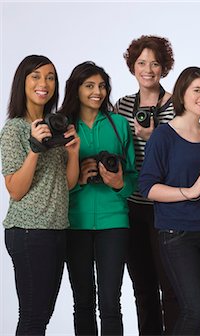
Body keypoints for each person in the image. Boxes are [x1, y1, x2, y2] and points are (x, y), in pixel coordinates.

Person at [139, 66, 200, 336]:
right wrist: (188, 192)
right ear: (182, 93)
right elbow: (147, 187)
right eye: (197, 90)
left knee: (199, 309)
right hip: (177, 233)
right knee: (193, 309)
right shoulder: (163, 136)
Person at [0, 55, 80, 335]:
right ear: (22, 82)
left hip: (57, 229)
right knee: (33, 317)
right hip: (29, 231)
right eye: (35, 76)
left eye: (50, 77)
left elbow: (67, 184)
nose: (43, 83)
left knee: (42, 315)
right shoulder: (14, 130)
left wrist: (73, 153)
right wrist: (34, 149)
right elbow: (16, 189)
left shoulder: (54, 126)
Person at [60, 61, 137, 336]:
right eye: (90, 85)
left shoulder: (119, 125)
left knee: (110, 303)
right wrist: (79, 180)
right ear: (76, 89)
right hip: (74, 222)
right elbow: (53, 182)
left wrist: (119, 184)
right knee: (82, 302)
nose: (98, 92)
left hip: (114, 222)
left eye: (102, 86)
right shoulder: (63, 126)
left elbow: (133, 177)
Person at [114, 34, 178, 336]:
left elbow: (180, 158)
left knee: (171, 289)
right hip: (132, 207)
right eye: (141, 63)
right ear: (132, 67)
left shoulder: (177, 106)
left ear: (164, 67)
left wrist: (152, 138)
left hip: (167, 209)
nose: (148, 69)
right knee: (143, 289)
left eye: (155, 63)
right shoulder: (123, 105)